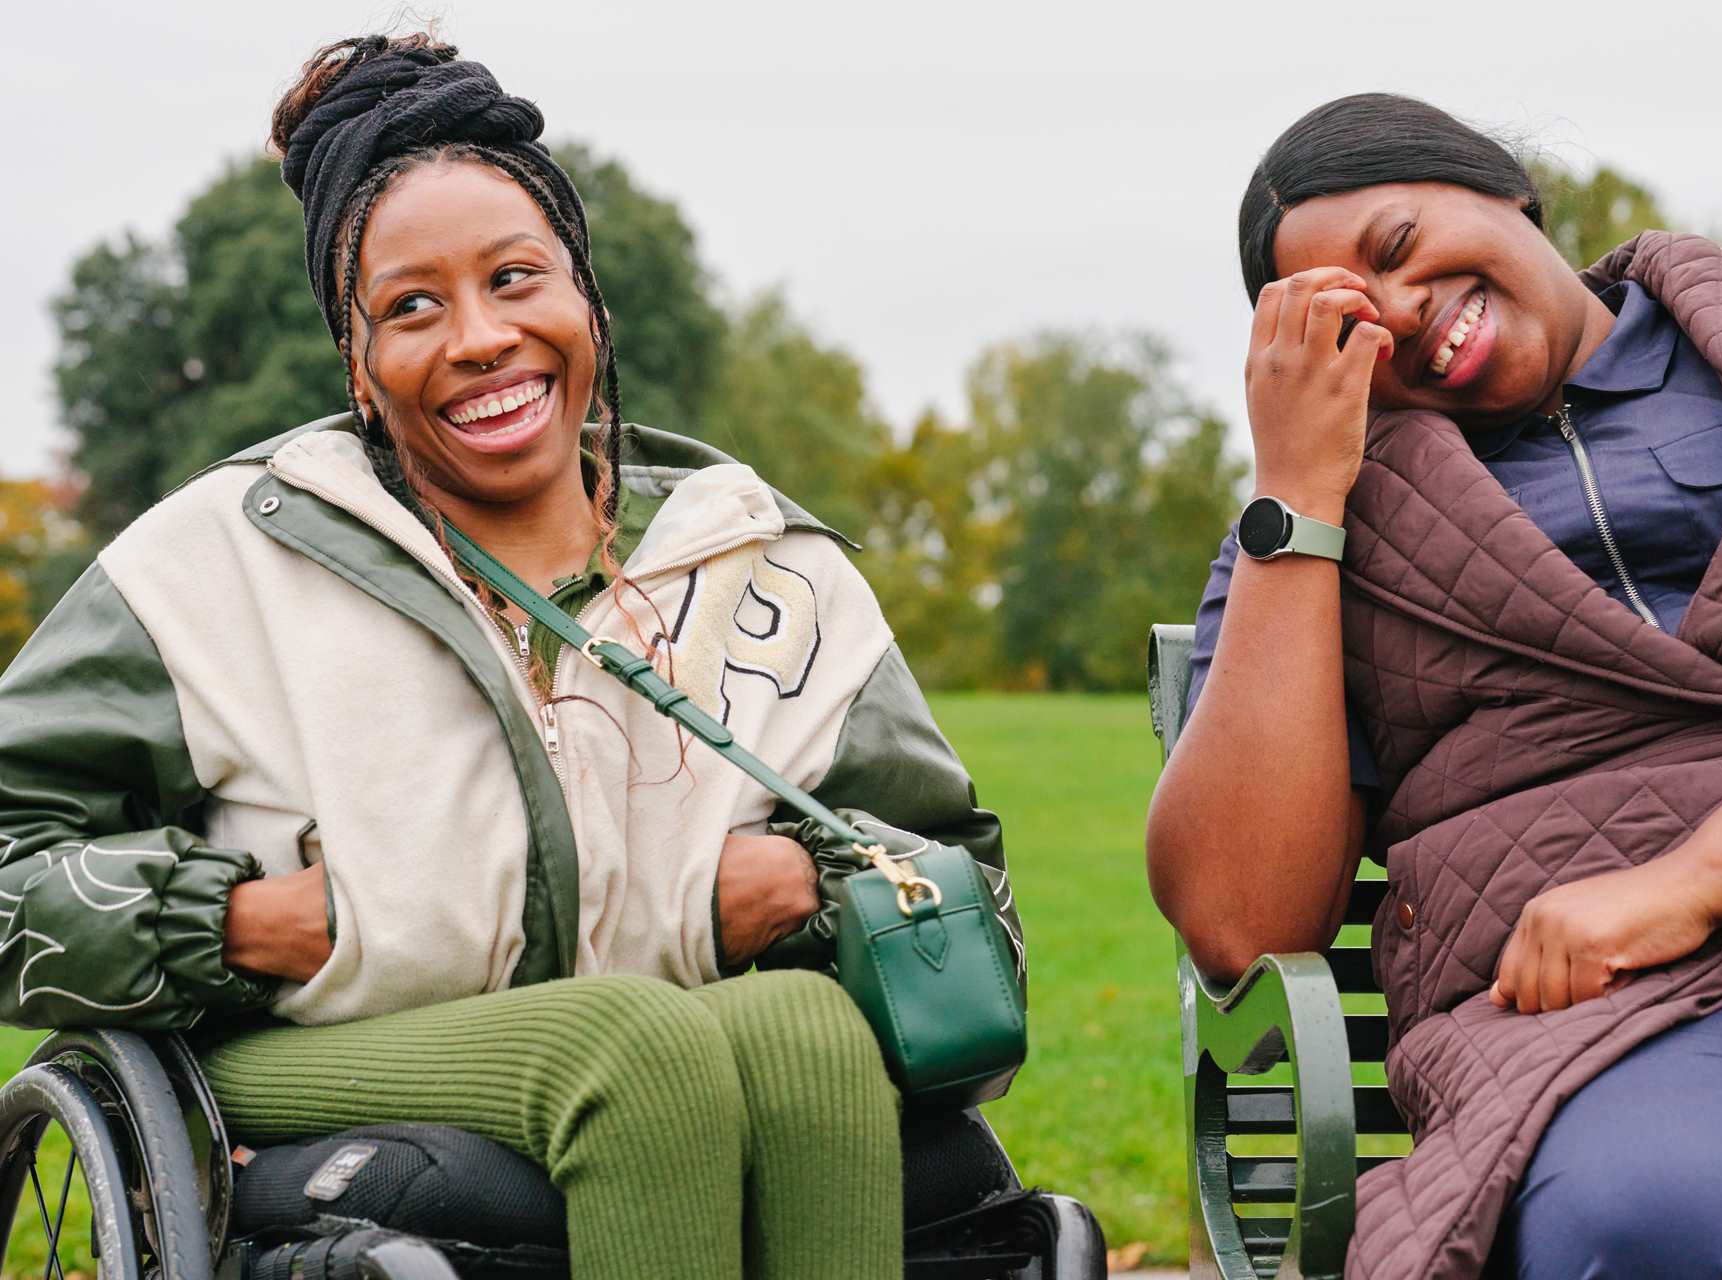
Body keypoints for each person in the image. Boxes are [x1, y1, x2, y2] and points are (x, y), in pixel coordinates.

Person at [0, 33, 1022, 1280]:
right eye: (413, 306)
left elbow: (961, 887)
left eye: (517, 277)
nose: (481, 338)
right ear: (360, 367)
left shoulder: (765, 564)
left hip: (677, 1020)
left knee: (808, 1031)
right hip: (323, 1044)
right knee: (632, 1045)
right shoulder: (215, 562)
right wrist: (235, 922)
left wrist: (813, 884)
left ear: (585, 296)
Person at [1146, 91, 1722, 1279]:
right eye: (1353, 319)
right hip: (1634, 1022)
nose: (1403, 313)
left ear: (1501, 185)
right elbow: (1244, 921)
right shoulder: (1317, 539)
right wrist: (1297, 493)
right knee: (1666, 1222)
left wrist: (1695, 877)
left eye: (1400, 249)